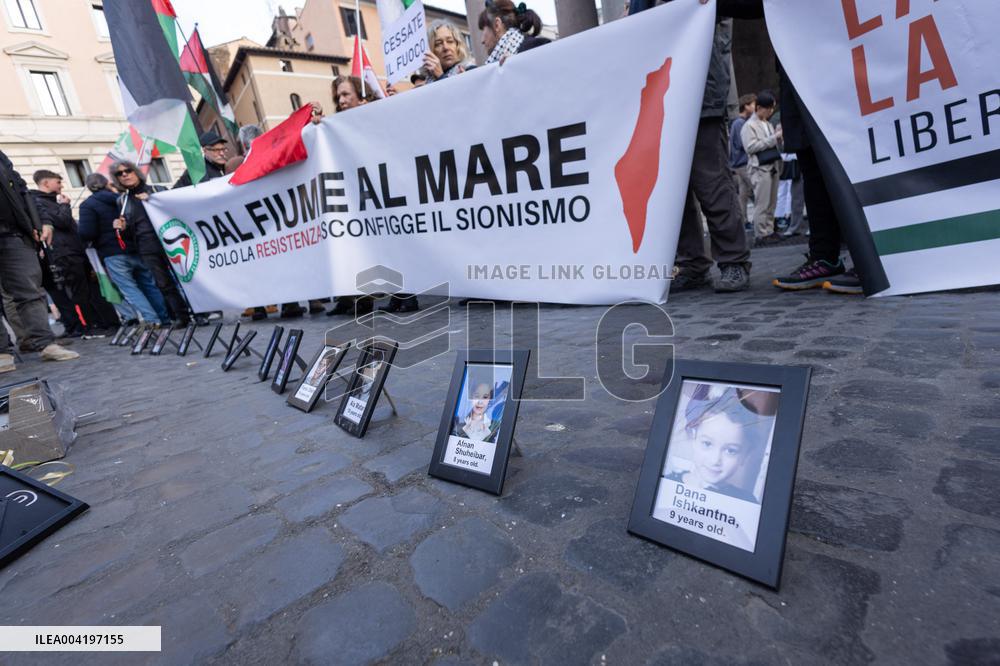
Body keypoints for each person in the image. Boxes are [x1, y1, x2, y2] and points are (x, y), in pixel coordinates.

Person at [630, 1, 752, 293]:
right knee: (674, 191)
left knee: (712, 181)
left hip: (700, 93)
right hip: (661, 98)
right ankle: (692, 263)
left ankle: (733, 260)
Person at [0, 149, 78, 368]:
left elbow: (22, 190)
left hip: (13, 234)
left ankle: (46, 344)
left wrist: (41, 220)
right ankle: (1, 352)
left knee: (30, 290)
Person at [31, 170, 119, 337]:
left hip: (76, 251)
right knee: (80, 292)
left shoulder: (51, 201)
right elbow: (62, 222)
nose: (62, 186)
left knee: (92, 289)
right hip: (65, 254)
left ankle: (105, 322)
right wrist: (65, 205)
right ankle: (89, 325)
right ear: (46, 183)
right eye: (58, 182)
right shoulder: (39, 202)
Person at [78, 173, 171, 327]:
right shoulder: (123, 199)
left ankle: (153, 320)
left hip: (112, 253)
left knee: (130, 289)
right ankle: (165, 317)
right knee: (149, 284)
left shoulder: (88, 205)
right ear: (107, 183)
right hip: (135, 248)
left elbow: (87, 232)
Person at [110, 160, 191, 327]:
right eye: (120, 173)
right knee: (163, 283)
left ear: (136, 172)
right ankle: (182, 317)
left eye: (128, 170)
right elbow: (129, 234)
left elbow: (175, 209)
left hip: (169, 240)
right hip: (146, 246)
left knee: (186, 277)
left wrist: (153, 200)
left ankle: (202, 313)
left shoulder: (157, 190)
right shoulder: (122, 201)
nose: (125, 174)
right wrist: (122, 228)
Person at [664, 385, 776, 503]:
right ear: (693, 438)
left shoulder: (746, 502)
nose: (715, 460)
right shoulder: (666, 484)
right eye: (707, 444)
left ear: (745, 455)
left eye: (730, 451)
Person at [741, 90, 782, 244]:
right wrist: (774, 138)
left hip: (772, 165)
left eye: (772, 109)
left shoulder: (767, 123)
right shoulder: (749, 126)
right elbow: (750, 147)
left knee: (771, 202)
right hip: (759, 168)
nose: (770, 112)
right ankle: (761, 234)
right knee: (762, 202)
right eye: (768, 108)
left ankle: (769, 231)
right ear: (759, 107)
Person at [478, 0, 550, 63]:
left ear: (497, 25)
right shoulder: (497, 64)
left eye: (483, 30)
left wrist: (518, 65)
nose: (482, 41)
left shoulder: (537, 48)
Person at [730, 94, 756, 229]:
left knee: (743, 194)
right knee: (756, 190)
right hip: (743, 163)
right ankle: (760, 221)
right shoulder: (740, 123)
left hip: (739, 163)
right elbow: (743, 143)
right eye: (752, 104)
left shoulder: (737, 122)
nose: (755, 107)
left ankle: (743, 221)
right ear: (745, 106)